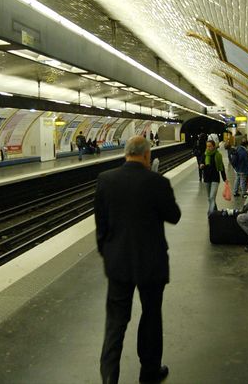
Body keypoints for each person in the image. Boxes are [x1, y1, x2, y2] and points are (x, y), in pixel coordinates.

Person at [94, 135, 181, 384]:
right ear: (146, 155)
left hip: (118, 263)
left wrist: (107, 252)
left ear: (125, 153)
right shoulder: (158, 182)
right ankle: (149, 371)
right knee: (151, 316)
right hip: (151, 263)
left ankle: (110, 377)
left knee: (115, 322)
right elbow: (174, 216)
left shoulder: (106, 180)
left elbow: (101, 224)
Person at [200, 139, 227, 215]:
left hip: (215, 178)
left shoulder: (218, 155)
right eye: (207, 146)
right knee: (209, 198)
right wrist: (201, 165)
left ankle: (211, 213)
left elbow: (222, 168)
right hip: (207, 178)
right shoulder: (204, 155)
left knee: (212, 197)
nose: (208, 148)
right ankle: (215, 210)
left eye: (210, 146)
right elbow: (201, 163)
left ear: (214, 146)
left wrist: (225, 179)